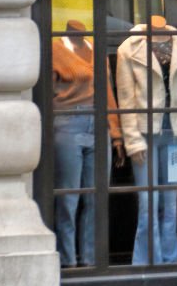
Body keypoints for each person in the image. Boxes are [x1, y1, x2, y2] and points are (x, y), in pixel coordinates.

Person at [117, 15, 177, 264]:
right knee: (148, 202)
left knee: (170, 203)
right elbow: (126, 98)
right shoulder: (129, 47)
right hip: (145, 132)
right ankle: (148, 261)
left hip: (174, 132)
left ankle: (170, 261)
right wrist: (132, 140)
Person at [52, 20, 125, 267]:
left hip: (99, 124)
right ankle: (67, 259)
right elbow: (46, 94)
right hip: (68, 123)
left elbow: (108, 93)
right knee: (68, 197)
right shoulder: (55, 50)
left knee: (96, 197)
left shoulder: (96, 49)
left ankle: (90, 259)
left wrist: (116, 133)